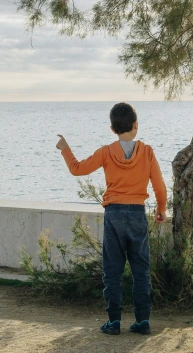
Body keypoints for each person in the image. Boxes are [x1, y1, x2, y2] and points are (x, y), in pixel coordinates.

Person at [56, 102, 166, 336]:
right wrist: (162, 209)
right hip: (137, 213)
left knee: (113, 270)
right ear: (136, 125)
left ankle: (114, 321)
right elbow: (159, 186)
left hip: (114, 213)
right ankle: (143, 321)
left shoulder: (106, 152)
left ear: (112, 129)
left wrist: (65, 148)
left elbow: (77, 169)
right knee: (141, 270)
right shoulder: (146, 152)